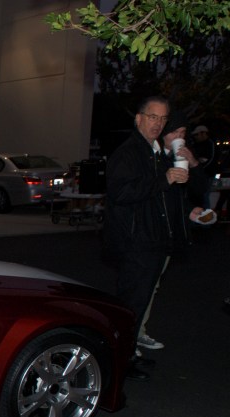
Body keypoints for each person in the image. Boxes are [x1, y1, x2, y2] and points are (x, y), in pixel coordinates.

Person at [104, 95, 203, 381]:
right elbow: (121, 193)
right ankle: (118, 362)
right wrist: (165, 179)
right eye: (152, 117)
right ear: (138, 118)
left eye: (162, 119)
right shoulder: (128, 152)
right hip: (136, 244)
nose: (157, 123)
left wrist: (187, 210)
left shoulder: (154, 151)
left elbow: (162, 200)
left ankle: (128, 354)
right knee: (130, 306)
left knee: (138, 304)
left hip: (153, 243)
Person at [189, 125, 216, 208]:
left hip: (208, 174)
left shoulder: (210, 144)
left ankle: (206, 216)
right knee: (200, 197)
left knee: (205, 196)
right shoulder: (196, 145)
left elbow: (211, 159)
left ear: (203, 133)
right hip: (198, 175)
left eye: (197, 135)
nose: (196, 137)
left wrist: (199, 168)